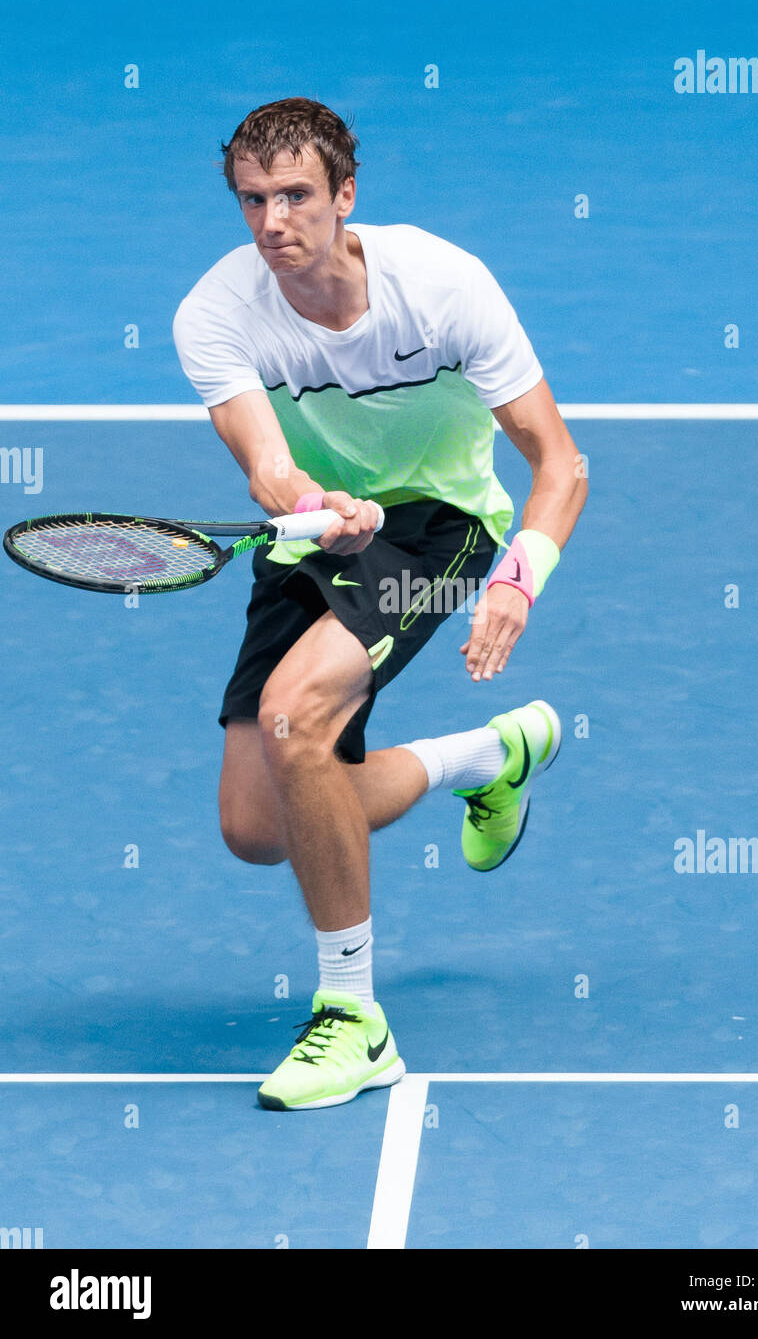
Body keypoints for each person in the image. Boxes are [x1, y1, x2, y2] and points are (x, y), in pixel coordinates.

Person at [172, 97, 587, 1110]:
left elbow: (558, 463)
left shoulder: (443, 287)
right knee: (259, 823)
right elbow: (266, 465)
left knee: (294, 716)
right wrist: (317, 506)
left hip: (444, 522)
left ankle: (352, 1018)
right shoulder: (215, 313)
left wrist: (516, 579)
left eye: (296, 196)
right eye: (254, 201)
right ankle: (490, 757)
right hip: (320, 533)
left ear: (345, 195)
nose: (274, 222)